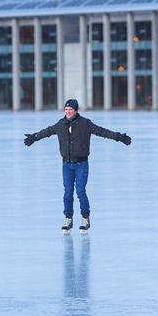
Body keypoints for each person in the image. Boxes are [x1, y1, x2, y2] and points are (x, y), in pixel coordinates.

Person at [23, 99, 132, 232]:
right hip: (66, 164)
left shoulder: (85, 124)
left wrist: (119, 137)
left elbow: (102, 132)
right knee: (68, 193)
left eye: (70, 110)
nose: (68, 112)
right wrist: (34, 137)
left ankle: (85, 218)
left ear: (76, 111)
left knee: (80, 191)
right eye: (66, 110)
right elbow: (47, 132)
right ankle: (68, 219)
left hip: (81, 164)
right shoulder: (60, 124)